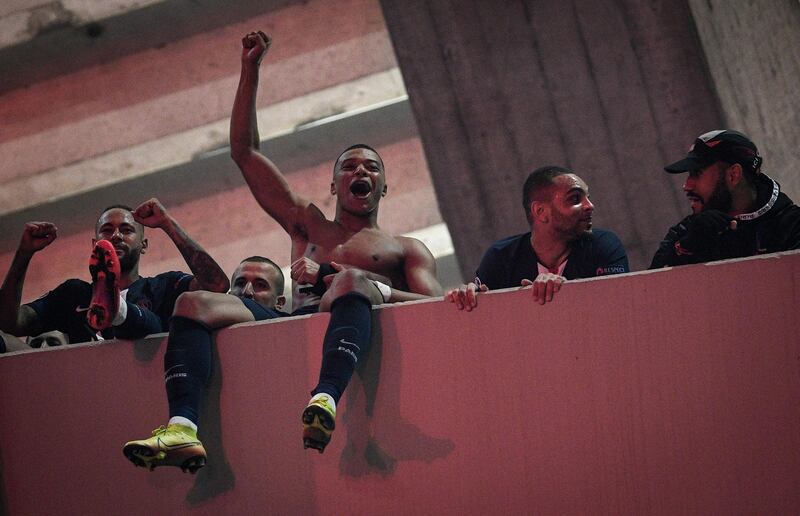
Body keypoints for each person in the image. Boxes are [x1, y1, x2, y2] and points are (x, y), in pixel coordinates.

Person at [231, 31, 442, 453]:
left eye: (371, 167)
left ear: (383, 187)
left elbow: (435, 307)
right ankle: (180, 423)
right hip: (296, 332)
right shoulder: (307, 224)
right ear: (333, 183)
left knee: (349, 285)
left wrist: (356, 279)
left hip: (363, 339)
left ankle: (325, 395)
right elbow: (244, 152)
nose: (359, 171)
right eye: (348, 166)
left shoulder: (407, 249)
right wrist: (250, 69)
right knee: (193, 302)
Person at [123, 256, 287, 473]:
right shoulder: (206, 324)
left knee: (189, 301)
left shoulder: (281, 316)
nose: (247, 291)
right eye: (239, 283)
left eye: (261, 285)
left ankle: (182, 427)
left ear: (279, 301)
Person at [0, 198, 229, 344]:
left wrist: (167, 223)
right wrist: (23, 254)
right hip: (94, 394)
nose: (116, 236)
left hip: (149, 382)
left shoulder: (163, 286)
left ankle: (118, 309)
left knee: (154, 326)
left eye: (127, 230)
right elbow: (10, 323)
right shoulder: (73, 294)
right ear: (94, 244)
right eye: (107, 230)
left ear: (144, 245)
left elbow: (217, 286)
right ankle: (112, 303)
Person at [446, 166, 628, 310]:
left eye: (588, 197)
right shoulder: (500, 257)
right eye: (575, 199)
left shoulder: (604, 245)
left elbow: (619, 307)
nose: (590, 206)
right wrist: (467, 299)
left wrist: (566, 293)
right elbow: (489, 325)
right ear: (540, 211)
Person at [650, 129, 800, 268]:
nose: (686, 186)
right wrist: (686, 247)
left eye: (696, 173)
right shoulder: (689, 230)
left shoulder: (792, 226)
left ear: (733, 175)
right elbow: (648, 290)